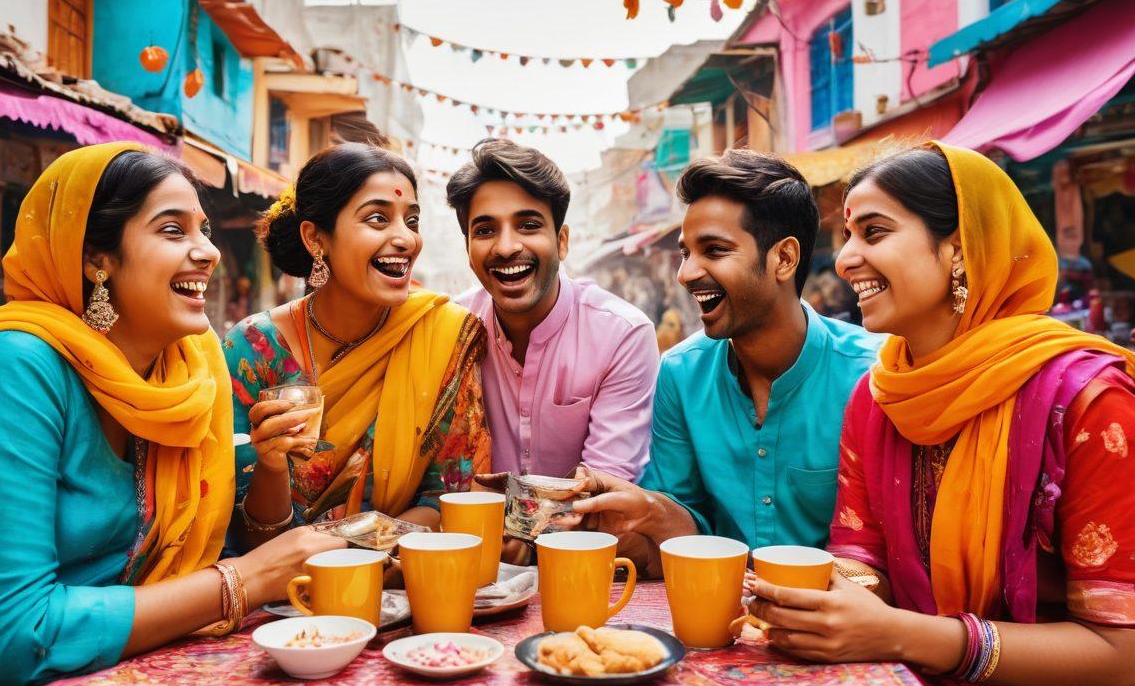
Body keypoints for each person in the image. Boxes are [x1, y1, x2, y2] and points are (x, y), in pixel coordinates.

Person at [0, 144, 343, 686]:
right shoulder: (15, 370)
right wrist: (243, 583)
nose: (207, 251)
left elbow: (222, 544)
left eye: (203, 229)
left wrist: (272, 469)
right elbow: (17, 632)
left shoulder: (186, 375)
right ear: (96, 258)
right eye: (173, 230)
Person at [750, 143, 1135, 686]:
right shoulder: (879, 398)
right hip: (920, 683)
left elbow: (1121, 657)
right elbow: (860, 557)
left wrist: (906, 635)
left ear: (959, 248)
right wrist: (826, 603)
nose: (847, 261)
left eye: (874, 232)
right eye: (847, 236)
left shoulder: (1089, 402)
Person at [570, 150, 881, 575]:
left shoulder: (869, 375)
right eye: (685, 253)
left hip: (838, 626)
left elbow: (878, 554)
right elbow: (682, 529)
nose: (686, 273)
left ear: (784, 259)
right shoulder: (681, 374)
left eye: (714, 251)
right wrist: (647, 513)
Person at [225, 143, 490, 549]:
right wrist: (272, 466)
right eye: (378, 219)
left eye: (412, 220)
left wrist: (348, 551)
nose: (406, 239)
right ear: (316, 239)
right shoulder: (252, 350)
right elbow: (242, 533)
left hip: (397, 583)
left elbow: (449, 500)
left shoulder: (441, 334)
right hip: (277, 593)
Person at [448, 139, 659, 485]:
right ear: (469, 251)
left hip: (587, 537)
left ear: (562, 241)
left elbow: (605, 485)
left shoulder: (622, 335)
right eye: (485, 230)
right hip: (477, 532)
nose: (505, 247)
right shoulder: (452, 332)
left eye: (528, 225)